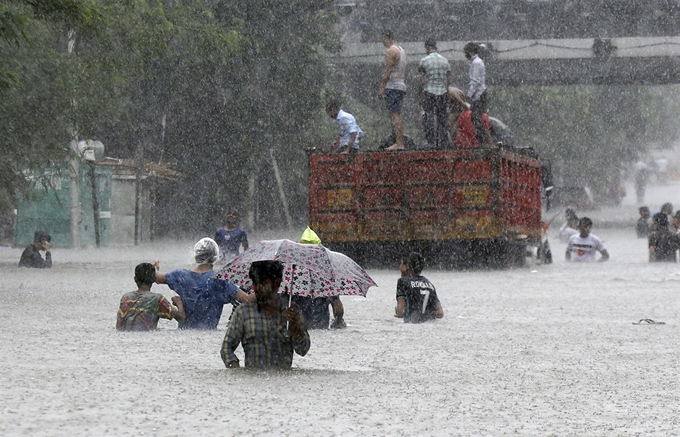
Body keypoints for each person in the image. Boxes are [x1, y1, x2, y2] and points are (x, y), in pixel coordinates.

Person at [221, 260, 310, 369]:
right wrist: (238, 372)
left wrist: (295, 327)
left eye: (263, 283)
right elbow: (226, 348)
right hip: (252, 381)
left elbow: (303, 350)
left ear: (277, 284)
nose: (257, 288)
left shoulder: (291, 311)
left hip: (283, 381)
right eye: (255, 283)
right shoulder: (243, 312)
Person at [155, 237, 254, 330]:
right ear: (216, 256)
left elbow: (157, 278)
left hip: (184, 336)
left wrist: (155, 268)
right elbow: (247, 299)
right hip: (209, 334)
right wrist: (266, 287)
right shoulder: (221, 280)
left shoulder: (180, 276)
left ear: (196, 255)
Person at [292, 226, 347, 329]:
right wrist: (338, 320)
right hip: (321, 327)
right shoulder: (326, 277)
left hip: (299, 330)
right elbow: (338, 308)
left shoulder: (291, 275)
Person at [117, 263, 186, 331]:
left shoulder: (126, 298)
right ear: (154, 279)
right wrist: (179, 303)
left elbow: (119, 326)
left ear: (135, 279)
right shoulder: (157, 299)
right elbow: (181, 317)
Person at [418, 38, 451, 149]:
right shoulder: (445, 61)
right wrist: (445, 89)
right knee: (442, 118)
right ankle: (443, 141)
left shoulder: (424, 61)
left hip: (429, 92)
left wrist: (420, 95)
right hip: (442, 92)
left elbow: (422, 80)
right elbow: (449, 78)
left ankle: (431, 141)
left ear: (427, 47)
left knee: (429, 116)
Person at [379, 29, 407, 151]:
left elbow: (387, 71)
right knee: (395, 114)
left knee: (394, 114)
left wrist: (382, 87)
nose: (383, 44)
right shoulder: (402, 50)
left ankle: (399, 143)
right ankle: (396, 139)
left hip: (393, 86)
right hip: (401, 84)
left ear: (386, 38)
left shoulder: (391, 51)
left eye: (383, 40)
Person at [394, 252, 444, 323]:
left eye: (401, 263)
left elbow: (401, 311)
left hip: (411, 325)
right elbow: (440, 313)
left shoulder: (402, 282)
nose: (400, 266)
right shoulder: (429, 284)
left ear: (407, 266)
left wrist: (397, 310)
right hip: (428, 325)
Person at [464, 42, 491, 147]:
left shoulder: (476, 63)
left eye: (466, 52)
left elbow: (474, 82)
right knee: (478, 117)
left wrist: (468, 96)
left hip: (479, 94)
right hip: (480, 94)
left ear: (470, 52)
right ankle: (482, 141)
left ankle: (482, 141)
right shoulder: (478, 62)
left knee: (476, 117)